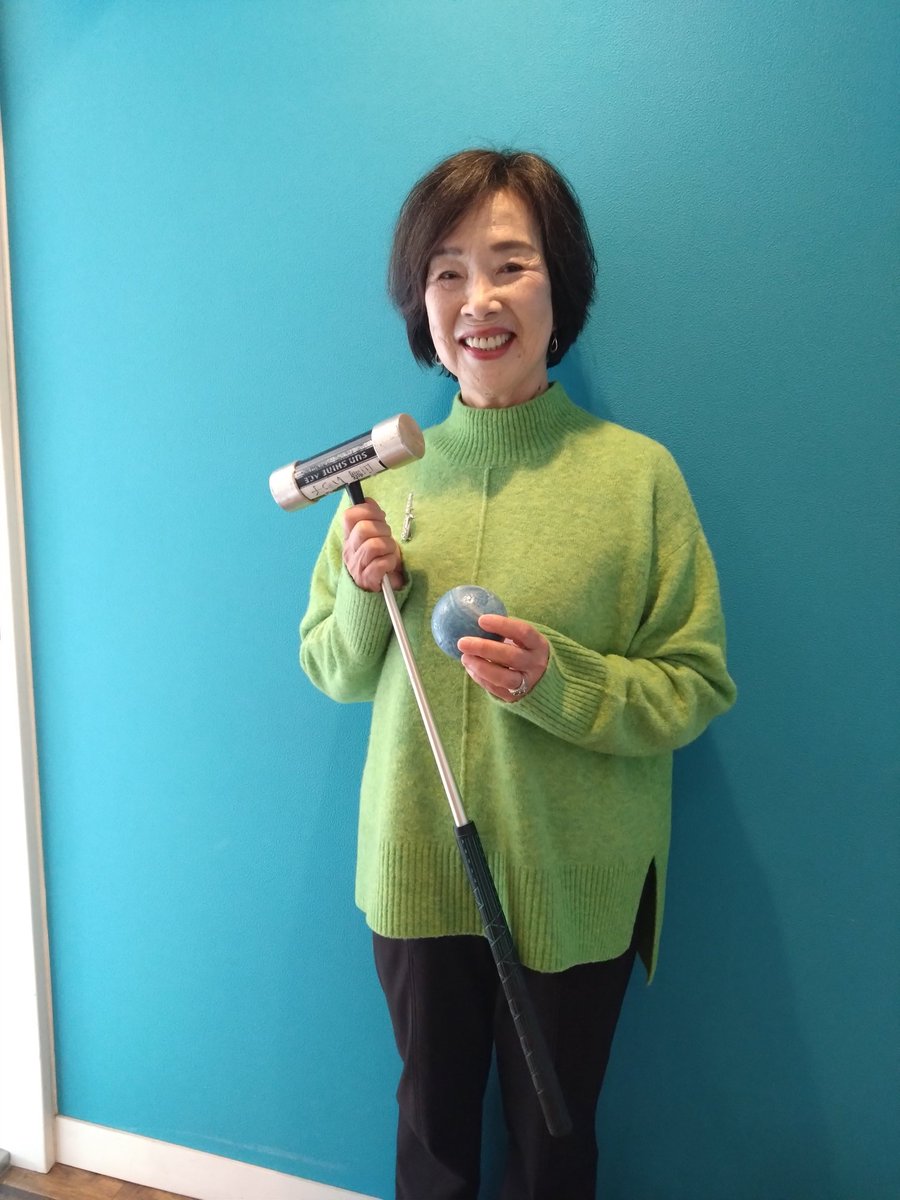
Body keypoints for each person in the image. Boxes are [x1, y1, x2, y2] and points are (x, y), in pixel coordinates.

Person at [299, 149, 736, 1200]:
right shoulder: (372, 484)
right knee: (432, 1139)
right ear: (421, 303)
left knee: (554, 1143)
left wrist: (558, 681)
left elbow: (694, 683)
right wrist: (361, 590)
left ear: (559, 287)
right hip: (416, 871)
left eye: (510, 264)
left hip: (574, 879)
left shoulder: (636, 477)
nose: (478, 300)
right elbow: (332, 670)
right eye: (446, 272)